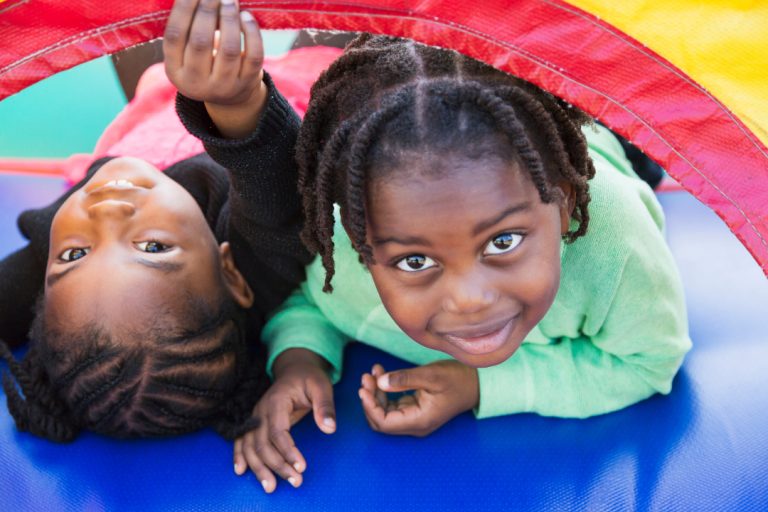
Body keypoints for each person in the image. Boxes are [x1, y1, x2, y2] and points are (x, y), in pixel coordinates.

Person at [233, 34, 692, 492]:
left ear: (564, 203)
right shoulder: (350, 246)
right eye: (415, 261)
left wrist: (477, 386)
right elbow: (312, 302)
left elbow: (650, 361)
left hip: (602, 144)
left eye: (504, 241)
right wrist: (299, 361)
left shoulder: (618, 243)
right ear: (361, 245)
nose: (470, 300)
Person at [0, 0, 310, 442]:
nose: (105, 212)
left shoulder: (56, 266)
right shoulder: (254, 262)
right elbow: (277, 187)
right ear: (230, 274)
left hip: (155, 102)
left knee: (125, 14)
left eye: (74, 254)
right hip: (293, 82)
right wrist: (238, 104)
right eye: (153, 248)